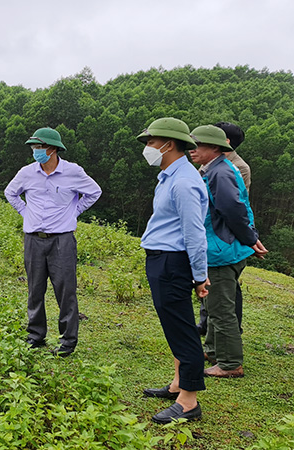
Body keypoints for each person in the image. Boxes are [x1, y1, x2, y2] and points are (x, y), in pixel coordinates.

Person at [4, 127, 101, 357]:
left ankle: (68, 340)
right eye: (34, 147)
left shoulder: (73, 172)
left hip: (62, 240)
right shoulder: (27, 173)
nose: (36, 151)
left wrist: (74, 212)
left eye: (40, 147)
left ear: (54, 149)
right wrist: (25, 213)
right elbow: (10, 193)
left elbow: (94, 192)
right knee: (34, 288)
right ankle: (36, 335)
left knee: (65, 290)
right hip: (33, 239)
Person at [138, 118, 209, 424]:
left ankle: (189, 400)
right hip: (161, 258)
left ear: (169, 144)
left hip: (173, 260)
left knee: (182, 327)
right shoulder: (169, 176)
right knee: (173, 324)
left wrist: (199, 274)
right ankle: (179, 382)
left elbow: (194, 232)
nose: (148, 148)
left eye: (151, 142)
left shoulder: (184, 182)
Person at [189, 125, 267, 378]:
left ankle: (230, 363)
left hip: (221, 250)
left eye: (197, 145)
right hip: (223, 247)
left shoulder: (220, 173)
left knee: (222, 310)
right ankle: (213, 350)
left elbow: (233, 210)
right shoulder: (218, 168)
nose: (192, 150)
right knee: (212, 306)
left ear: (215, 147)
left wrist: (250, 239)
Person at [197, 121, 252, 335]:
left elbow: (234, 207)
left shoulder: (232, 168)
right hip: (213, 239)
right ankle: (209, 332)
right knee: (213, 290)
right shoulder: (210, 163)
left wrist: (249, 237)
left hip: (223, 239)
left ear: (223, 142)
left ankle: (229, 342)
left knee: (225, 294)